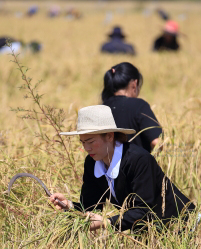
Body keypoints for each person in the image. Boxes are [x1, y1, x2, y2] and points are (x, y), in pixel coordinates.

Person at [50, 105, 195, 232]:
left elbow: (144, 209)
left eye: (90, 141)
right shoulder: (92, 162)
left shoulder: (139, 160)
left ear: (109, 136)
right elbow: (91, 207)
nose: (86, 148)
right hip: (148, 233)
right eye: (82, 142)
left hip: (182, 227)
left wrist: (107, 222)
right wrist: (68, 205)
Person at [102, 62, 162, 153]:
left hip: (106, 166)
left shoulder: (101, 108)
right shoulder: (139, 105)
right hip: (137, 166)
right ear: (134, 83)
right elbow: (157, 142)